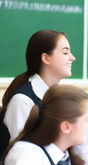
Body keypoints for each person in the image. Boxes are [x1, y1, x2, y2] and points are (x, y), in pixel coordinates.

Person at [0, 29, 76, 157]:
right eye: (65, 52)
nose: (72, 58)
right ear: (46, 58)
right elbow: (23, 155)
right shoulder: (22, 100)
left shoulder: (61, 98)